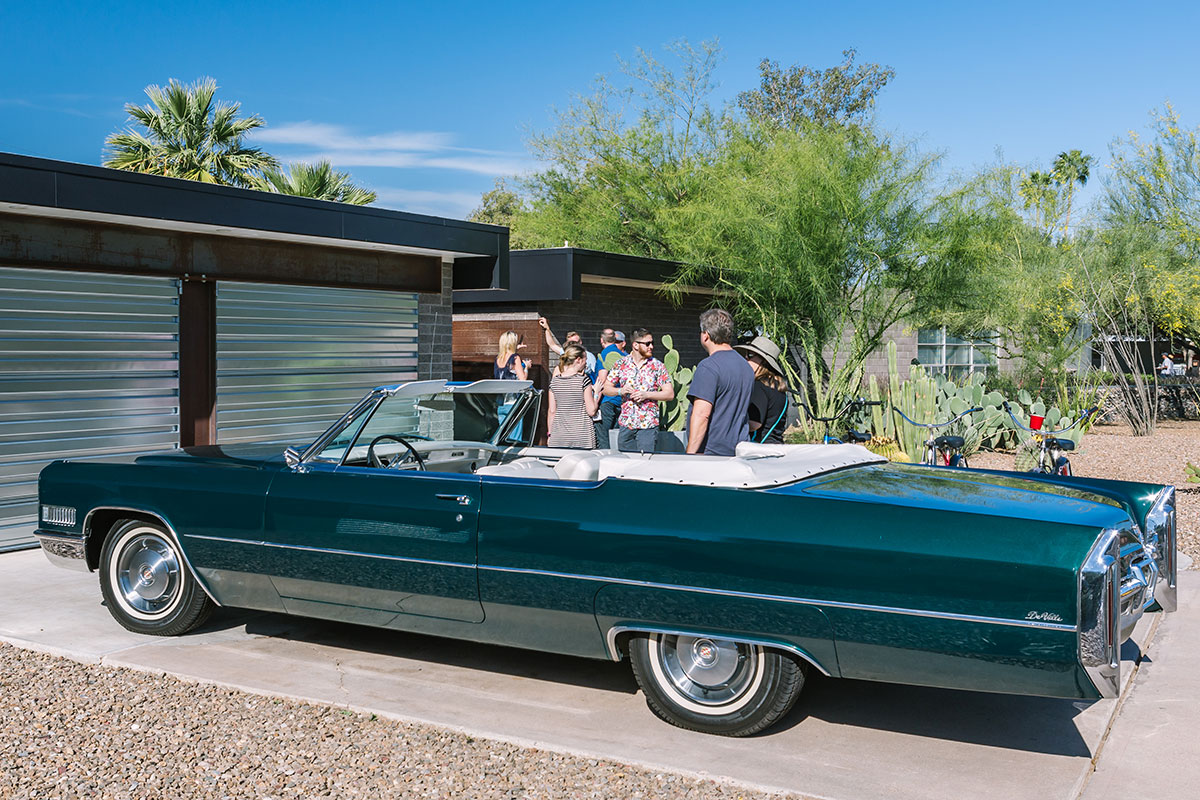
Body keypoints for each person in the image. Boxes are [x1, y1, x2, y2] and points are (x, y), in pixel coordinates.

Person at [687, 309, 754, 456]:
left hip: (711, 454)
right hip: (739, 450)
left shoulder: (708, 367)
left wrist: (690, 455)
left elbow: (701, 414)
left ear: (706, 335)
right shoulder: (746, 366)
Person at [603, 328, 674, 453]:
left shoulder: (657, 366)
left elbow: (669, 394)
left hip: (648, 425)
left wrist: (646, 394)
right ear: (635, 345)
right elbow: (606, 389)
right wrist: (621, 391)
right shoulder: (621, 364)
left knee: (645, 464)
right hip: (626, 424)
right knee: (626, 464)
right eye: (647, 344)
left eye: (652, 343)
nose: (651, 346)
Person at [735, 335, 788, 444]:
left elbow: (754, 424)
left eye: (750, 355)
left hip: (760, 450)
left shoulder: (759, 386)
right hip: (776, 446)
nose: (746, 358)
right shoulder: (777, 386)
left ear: (763, 361)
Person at [547, 343, 598, 449]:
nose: (586, 363)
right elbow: (591, 411)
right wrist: (597, 393)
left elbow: (552, 411)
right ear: (578, 360)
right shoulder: (584, 381)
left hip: (558, 435)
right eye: (585, 360)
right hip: (582, 435)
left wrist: (550, 434)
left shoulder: (554, 382)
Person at [594, 328, 624, 447]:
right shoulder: (624, 355)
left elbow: (602, 379)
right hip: (621, 400)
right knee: (616, 437)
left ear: (602, 340)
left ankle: (604, 461)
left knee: (604, 437)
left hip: (607, 401)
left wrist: (595, 400)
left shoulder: (605, 354)